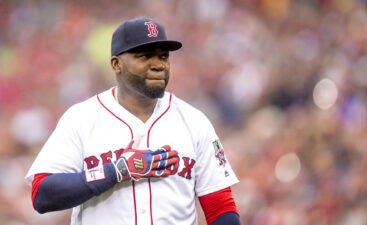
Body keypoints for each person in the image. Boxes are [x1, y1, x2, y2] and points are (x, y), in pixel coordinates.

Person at [25, 17, 240, 225]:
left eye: (163, 56)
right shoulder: (82, 118)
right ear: (117, 64)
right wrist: (115, 170)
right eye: (145, 56)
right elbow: (42, 193)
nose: (158, 65)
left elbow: (220, 208)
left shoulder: (194, 121)